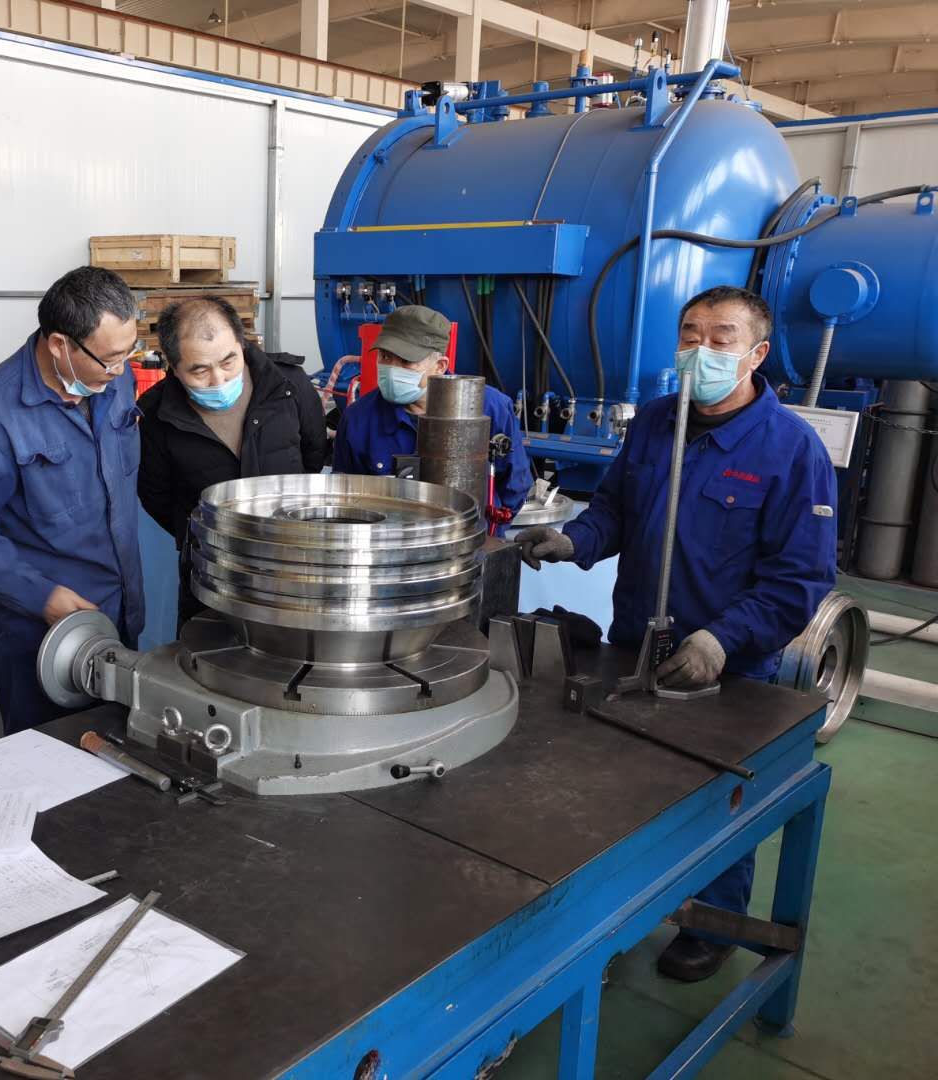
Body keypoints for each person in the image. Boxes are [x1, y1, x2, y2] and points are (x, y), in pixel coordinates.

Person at [515, 285, 837, 983]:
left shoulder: (792, 450)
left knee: (715, 799)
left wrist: (722, 640)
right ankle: (619, 910)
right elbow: (615, 511)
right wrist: (573, 542)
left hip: (729, 668)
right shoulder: (656, 422)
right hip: (633, 643)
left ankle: (713, 921)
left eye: (721, 339)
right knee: (620, 784)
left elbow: (800, 580)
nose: (701, 350)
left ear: (756, 354)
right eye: (690, 334)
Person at [0, 266, 145, 733]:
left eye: (129, 352)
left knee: (117, 744)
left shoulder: (114, 379)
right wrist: (40, 596)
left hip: (120, 611)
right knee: (47, 752)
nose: (120, 370)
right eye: (110, 359)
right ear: (59, 345)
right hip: (42, 631)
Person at [137, 297, 326, 625]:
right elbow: (156, 496)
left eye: (229, 362)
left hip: (293, 570)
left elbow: (313, 455)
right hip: (209, 576)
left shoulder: (287, 385)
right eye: (200, 370)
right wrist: (204, 537)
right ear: (173, 365)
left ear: (242, 343)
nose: (219, 380)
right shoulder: (156, 414)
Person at [331, 305, 532, 530]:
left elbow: (515, 486)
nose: (391, 369)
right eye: (385, 356)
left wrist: (488, 533)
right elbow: (346, 500)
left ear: (440, 366)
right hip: (390, 543)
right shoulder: (358, 419)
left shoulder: (491, 408)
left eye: (405, 361)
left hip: (471, 541)